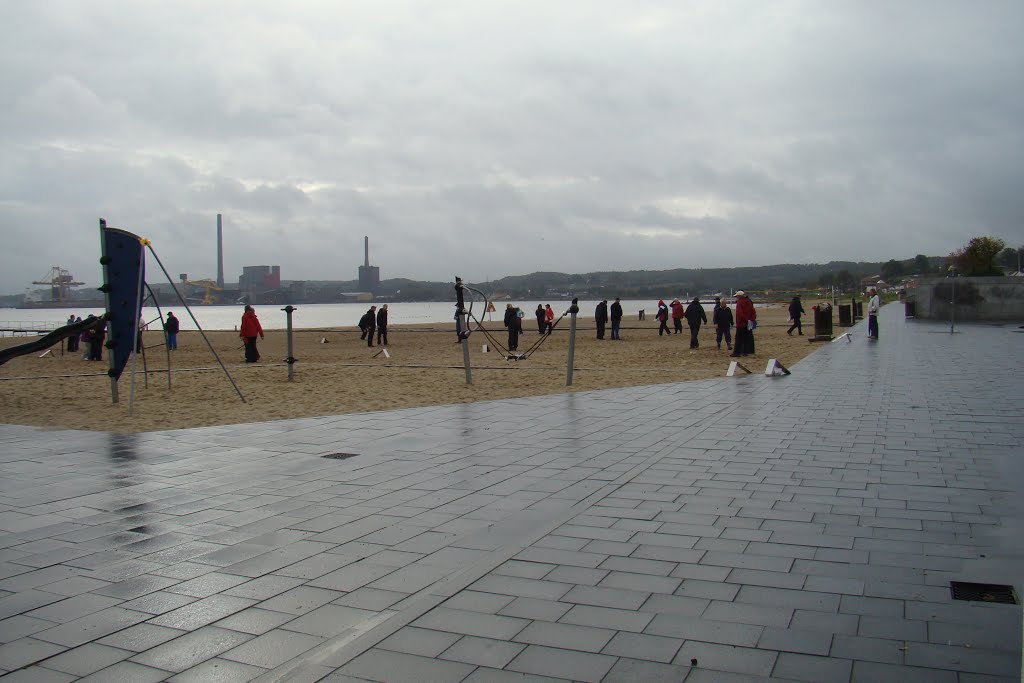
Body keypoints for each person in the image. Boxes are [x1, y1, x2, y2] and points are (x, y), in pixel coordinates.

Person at [731, 291, 756, 357]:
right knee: (746, 338)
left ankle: (737, 353)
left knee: (739, 338)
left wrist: (745, 320)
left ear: (739, 296)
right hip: (748, 323)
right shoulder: (749, 302)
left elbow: (740, 313)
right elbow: (753, 311)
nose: (736, 298)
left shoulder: (739, 303)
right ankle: (745, 352)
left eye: (736, 296)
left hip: (741, 323)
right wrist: (751, 320)